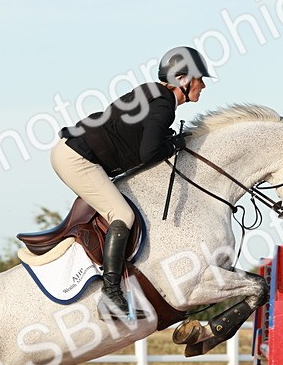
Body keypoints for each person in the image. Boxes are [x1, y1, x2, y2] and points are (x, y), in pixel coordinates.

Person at [51, 45, 212, 320]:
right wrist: (173, 146)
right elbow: (148, 153)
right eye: (200, 78)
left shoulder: (153, 93)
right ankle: (111, 295)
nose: (204, 85)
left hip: (74, 152)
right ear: (183, 79)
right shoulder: (163, 105)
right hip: (77, 159)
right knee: (122, 214)